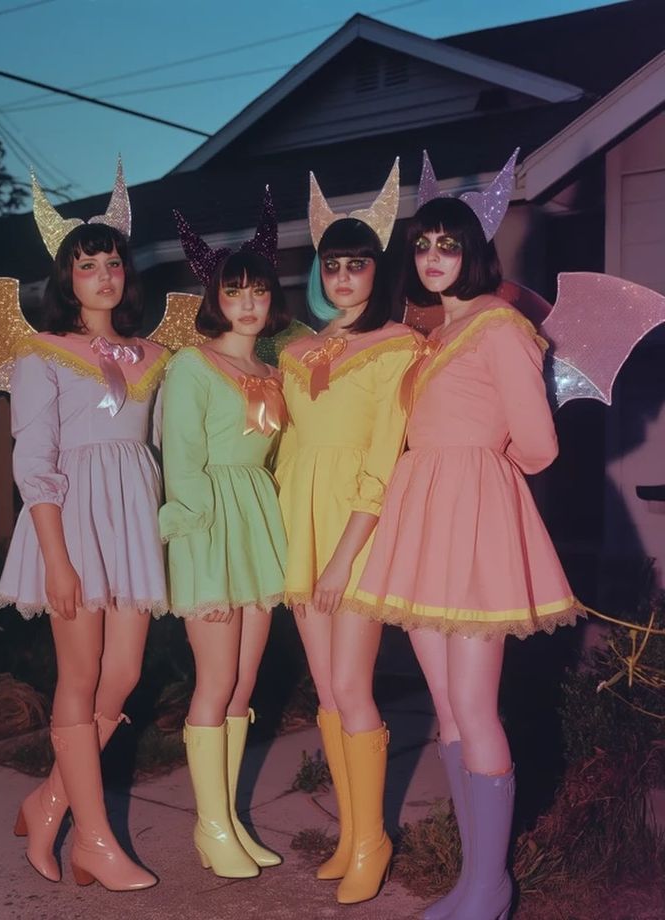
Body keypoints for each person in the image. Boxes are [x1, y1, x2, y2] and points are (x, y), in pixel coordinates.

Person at [353, 152, 583, 920]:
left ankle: (491, 887)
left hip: (471, 515)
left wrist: (482, 476)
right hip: (424, 520)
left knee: (476, 707)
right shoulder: (431, 334)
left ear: (474, 252)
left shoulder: (501, 325)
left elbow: (540, 443)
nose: (433, 258)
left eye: (447, 245)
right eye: (422, 246)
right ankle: (468, 880)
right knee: (447, 706)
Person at [0, 166, 167, 890]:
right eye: (86, 264)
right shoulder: (41, 353)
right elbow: (33, 459)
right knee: (82, 674)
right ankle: (92, 840)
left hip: (129, 526)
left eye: (112, 262)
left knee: (123, 675)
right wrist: (56, 560)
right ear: (67, 278)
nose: (103, 274)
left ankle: (49, 800)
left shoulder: (157, 356)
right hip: (68, 526)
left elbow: (159, 448)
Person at [276, 161, 417, 904]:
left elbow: (381, 458)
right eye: (332, 265)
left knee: (354, 687)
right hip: (304, 534)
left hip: (353, 539)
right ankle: (351, 832)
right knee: (327, 692)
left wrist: (340, 560)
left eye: (357, 264)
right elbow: (293, 450)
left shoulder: (397, 346)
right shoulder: (296, 353)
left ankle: (374, 840)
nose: (343, 277)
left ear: (377, 270)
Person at [161, 191, 290, 878]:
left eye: (257, 291)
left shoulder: (270, 371)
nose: (246, 303)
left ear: (272, 300)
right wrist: (198, 562)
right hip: (209, 527)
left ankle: (232, 819)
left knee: (243, 683)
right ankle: (209, 829)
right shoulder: (191, 366)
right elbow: (181, 466)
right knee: (213, 681)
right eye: (233, 291)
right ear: (216, 298)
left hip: (255, 525)